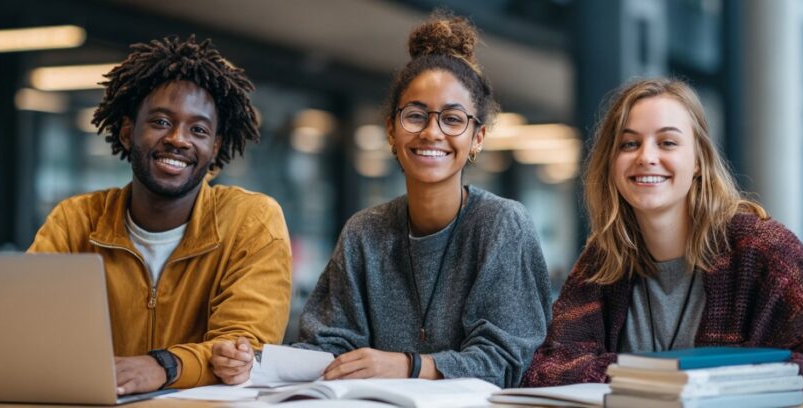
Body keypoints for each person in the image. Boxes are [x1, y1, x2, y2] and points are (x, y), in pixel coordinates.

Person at [210, 12, 552, 388]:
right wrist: (252, 360)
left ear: (478, 138)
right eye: (416, 115)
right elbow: (329, 345)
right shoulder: (365, 232)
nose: (432, 132)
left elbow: (506, 361)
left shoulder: (502, 224)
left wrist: (407, 365)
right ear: (391, 129)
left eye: (452, 119)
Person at [520, 78, 803, 402]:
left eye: (667, 142)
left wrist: (714, 382)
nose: (646, 156)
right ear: (612, 162)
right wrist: (650, 381)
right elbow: (546, 369)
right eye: (629, 144)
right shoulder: (603, 257)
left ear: (699, 160)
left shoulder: (761, 247)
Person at [29, 36, 292, 394]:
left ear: (213, 148)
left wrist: (163, 366)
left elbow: (244, 347)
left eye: (198, 130)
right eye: (161, 121)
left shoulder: (252, 220)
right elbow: (29, 327)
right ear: (127, 133)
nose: (179, 140)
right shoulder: (75, 220)